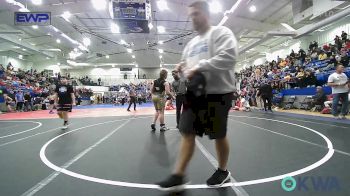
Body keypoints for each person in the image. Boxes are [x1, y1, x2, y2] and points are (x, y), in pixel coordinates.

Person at [157, 1, 237, 191]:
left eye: (195, 14)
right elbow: (187, 65)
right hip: (195, 95)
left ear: (206, 14)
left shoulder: (221, 33)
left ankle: (223, 171)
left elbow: (229, 57)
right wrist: (180, 68)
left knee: (218, 135)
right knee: (187, 131)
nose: (192, 18)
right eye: (190, 15)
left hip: (218, 93)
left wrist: (199, 67)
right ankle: (179, 175)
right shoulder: (191, 44)